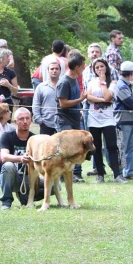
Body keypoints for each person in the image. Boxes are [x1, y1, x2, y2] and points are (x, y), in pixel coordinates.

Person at [86, 58, 126, 184]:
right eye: (97, 67)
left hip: (108, 120)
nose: (99, 69)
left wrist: (103, 84)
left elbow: (109, 95)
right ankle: (100, 175)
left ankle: (116, 175)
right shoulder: (92, 82)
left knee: (112, 146)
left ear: (106, 67)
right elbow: (88, 97)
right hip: (94, 119)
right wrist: (103, 100)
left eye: (101, 66)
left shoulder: (112, 82)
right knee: (96, 147)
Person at [55, 50, 87, 182]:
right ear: (77, 67)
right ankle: (64, 175)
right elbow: (63, 103)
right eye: (83, 65)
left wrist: (79, 109)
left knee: (76, 148)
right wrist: (80, 100)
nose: (85, 67)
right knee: (66, 149)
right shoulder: (64, 82)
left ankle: (74, 174)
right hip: (64, 121)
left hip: (75, 118)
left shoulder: (75, 79)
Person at [0, 108, 36, 210]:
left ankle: (25, 197)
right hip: (11, 178)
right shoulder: (7, 136)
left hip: (28, 179)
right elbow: (4, 157)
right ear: (15, 122)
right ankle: (6, 202)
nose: (25, 122)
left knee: (56, 186)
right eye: (21, 119)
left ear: (31, 120)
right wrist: (21, 158)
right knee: (8, 165)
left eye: (27, 118)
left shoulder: (35, 139)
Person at [114, 61, 133, 180]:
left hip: (130, 120)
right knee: (122, 148)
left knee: (130, 147)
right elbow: (131, 104)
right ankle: (120, 172)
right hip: (122, 121)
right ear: (131, 73)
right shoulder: (121, 86)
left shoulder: (127, 85)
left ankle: (129, 171)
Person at [32, 61, 61, 135]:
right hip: (46, 123)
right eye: (52, 69)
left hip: (62, 123)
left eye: (56, 69)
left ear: (60, 71)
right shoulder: (41, 87)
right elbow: (36, 103)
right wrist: (39, 120)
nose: (54, 71)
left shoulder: (64, 85)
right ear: (48, 71)